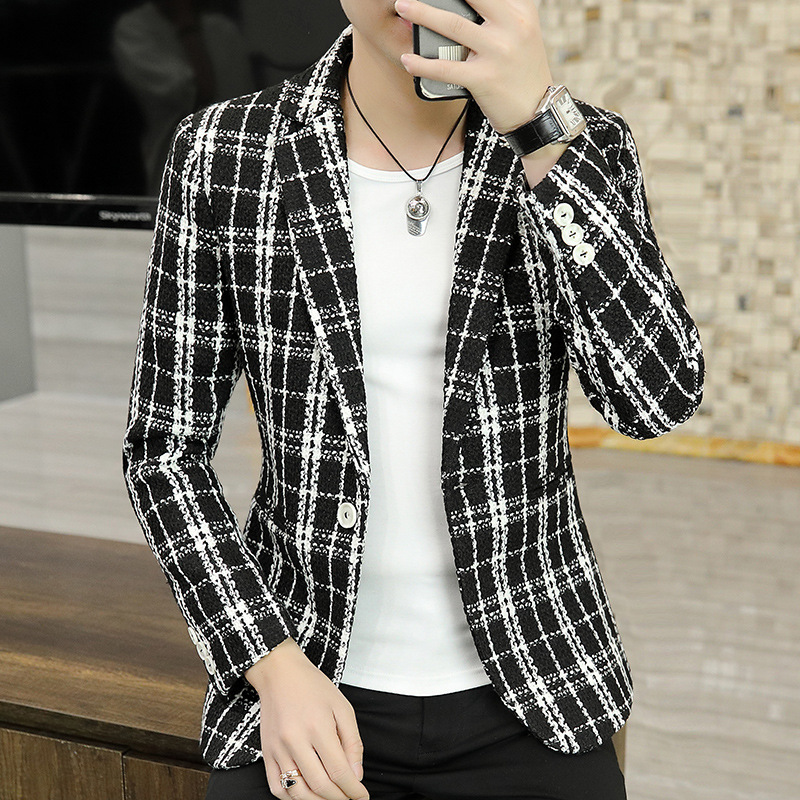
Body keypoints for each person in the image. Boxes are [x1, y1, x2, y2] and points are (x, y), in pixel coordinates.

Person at [122, 1, 705, 799]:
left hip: (536, 681)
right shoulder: (224, 152)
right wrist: (271, 663)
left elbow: (656, 399)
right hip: (309, 674)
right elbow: (163, 452)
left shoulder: (579, 144)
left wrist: (539, 132)